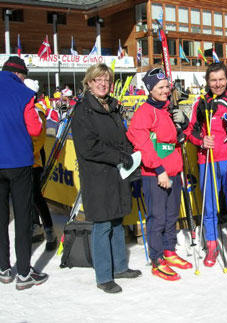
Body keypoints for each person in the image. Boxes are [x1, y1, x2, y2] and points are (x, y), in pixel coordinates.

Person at [71, 63, 141, 294]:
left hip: (116, 173)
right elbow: (89, 147)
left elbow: (120, 137)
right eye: (98, 79)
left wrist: (130, 151)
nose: (103, 84)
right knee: (102, 224)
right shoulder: (83, 111)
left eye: (107, 80)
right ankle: (103, 276)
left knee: (117, 221)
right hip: (97, 176)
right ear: (89, 82)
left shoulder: (112, 107)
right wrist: (120, 156)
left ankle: (120, 267)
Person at [127, 68, 191, 281]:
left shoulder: (166, 110)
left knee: (172, 214)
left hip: (173, 170)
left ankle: (169, 250)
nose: (166, 90)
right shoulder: (144, 112)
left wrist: (182, 125)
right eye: (160, 87)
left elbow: (177, 137)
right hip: (155, 173)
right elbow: (143, 144)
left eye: (167, 86)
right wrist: (159, 170)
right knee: (158, 217)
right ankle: (156, 258)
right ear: (150, 89)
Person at [184, 62, 227, 267]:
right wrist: (201, 141)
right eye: (213, 80)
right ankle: (212, 245)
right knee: (209, 207)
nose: (217, 84)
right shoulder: (201, 103)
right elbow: (190, 131)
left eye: (221, 79)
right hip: (208, 161)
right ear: (207, 82)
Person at [0, 56, 47, 290]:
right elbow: (36, 128)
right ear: (19, 74)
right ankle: (25, 273)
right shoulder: (24, 93)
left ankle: (3, 269)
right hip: (18, 162)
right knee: (23, 217)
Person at [23, 79, 57, 251]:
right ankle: (35, 227)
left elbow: (38, 140)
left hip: (32, 162)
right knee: (26, 199)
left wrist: (24, 153)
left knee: (36, 197)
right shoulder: (20, 110)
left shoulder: (38, 112)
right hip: (20, 162)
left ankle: (49, 230)